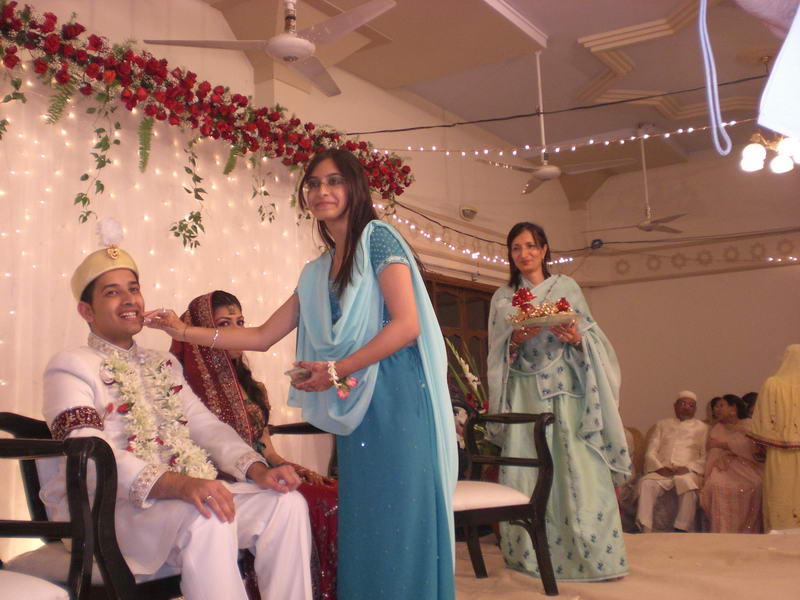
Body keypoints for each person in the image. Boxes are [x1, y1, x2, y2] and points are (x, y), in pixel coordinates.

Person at [145, 148, 457, 600]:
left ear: (355, 188)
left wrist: (336, 369)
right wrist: (183, 331)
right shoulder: (316, 272)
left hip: (397, 399)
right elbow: (262, 336)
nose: (321, 191)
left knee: (401, 513)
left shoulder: (379, 240)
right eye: (313, 183)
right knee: (366, 514)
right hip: (357, 404)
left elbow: (407, 325)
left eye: (333, 181)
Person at [40, 239, 313, 600]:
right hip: (109, 510)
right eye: (112, 292)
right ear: (86, 311)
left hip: (176, 502)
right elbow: (88, 454)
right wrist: (179, 484)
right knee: (208, 514)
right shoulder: (71, 366)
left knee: (286, 505)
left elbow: (205, 426)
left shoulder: (163, 364)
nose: (129, 300)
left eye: (133, 289)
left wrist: (256, 469)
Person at [487, 221, 631, 582]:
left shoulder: (567, 287)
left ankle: (590, 557)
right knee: (529, 471)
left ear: (544, 249)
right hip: (525, 394)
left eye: (531, 246)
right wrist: (516, 340)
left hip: (567, 393)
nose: (524, 254)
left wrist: (575, 338)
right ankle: (530, 556)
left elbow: (593, 338)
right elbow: (496, 351)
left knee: (578, 470)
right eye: (516, 248)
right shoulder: (503, 297)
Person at [170, 290, 338, 599]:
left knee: (335, 494)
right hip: (223, 482)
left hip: (262, 471)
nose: (236, 331)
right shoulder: (184, 388)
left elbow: (267, 449)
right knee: (322, 505)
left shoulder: (252, 386)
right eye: (224, 324)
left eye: (240, 322)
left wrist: (298, 471)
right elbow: (198, 449)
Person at [637, 391, 708, 533]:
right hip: (662, 471)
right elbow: (651, 451)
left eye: (691, 405)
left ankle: (682, 528)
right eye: (683, 404)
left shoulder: (702, 427)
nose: (686, 407)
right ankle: (645, 527)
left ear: (695, 409)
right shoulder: (662, 424)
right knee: (647, 484)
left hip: (688, 472)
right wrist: (659, 467)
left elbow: (705, 456)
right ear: (675, 406)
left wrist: (688, 468)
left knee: (687, 484)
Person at [748, 344, 800, 531]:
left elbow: (763, 418)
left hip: (779, 453)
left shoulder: (772, 384)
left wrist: (762, 443)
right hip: (783, 451)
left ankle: (779, 537)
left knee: (780, 496)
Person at [700, 395, 763, 533]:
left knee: (755, 485)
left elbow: (752, 449)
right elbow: (712, 451)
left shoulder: (749, 424)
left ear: (733, 408)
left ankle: (748, 532)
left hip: (748, 466)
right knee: (715, 485)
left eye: (721, 406)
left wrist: (725, 445)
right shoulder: (717, 428)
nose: (717, 409)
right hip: (722, 467)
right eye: (716, 406)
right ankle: (722, 531)